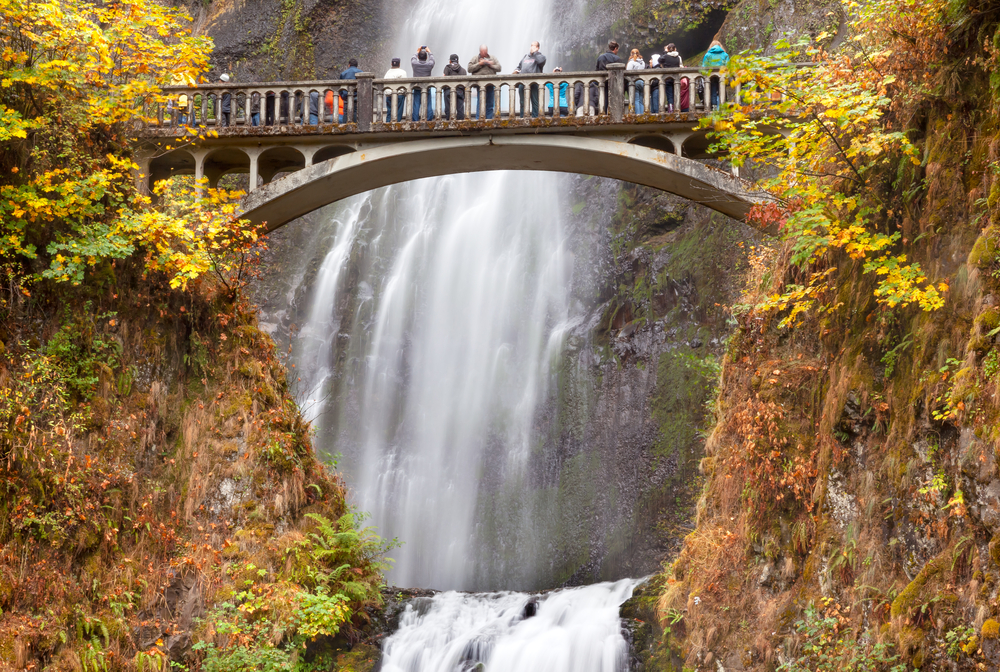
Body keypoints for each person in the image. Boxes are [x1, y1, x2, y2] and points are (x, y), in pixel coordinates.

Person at [576, 40, 621, 116]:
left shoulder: (601, 57)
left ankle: (604, 113)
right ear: (615, 48)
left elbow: (597, 71)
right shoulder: (616, 58)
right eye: (617, 50)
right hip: (614, 83)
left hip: (602, 82)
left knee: (604, 99)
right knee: (614, 99)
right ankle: (614, 115)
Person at [513, 41, 546, 117]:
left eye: (534, 46)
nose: (531, 47)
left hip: (534, 83)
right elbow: (519, 66)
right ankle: (522, 117)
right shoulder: (525, 56)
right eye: (531, 45)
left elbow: (540, 61)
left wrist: (534, 53)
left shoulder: (541, 57)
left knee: (535, 102)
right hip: (523, 82)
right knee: (522, 102)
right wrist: (516, 71)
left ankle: (535, 118)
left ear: (538, 48)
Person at [468, 45, 501, 119]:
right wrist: (480, 64)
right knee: (481, 102)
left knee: (490, 103)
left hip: (491, 84)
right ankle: (479, 119)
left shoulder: (492, 58)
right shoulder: (475, 58)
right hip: (479, 84)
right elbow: (469, 69)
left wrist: (490, 65)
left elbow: (499, 68)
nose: (484, 53)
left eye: (485, 52)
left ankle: (489, 119)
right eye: (483, 52)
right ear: (480, 51)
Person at [658, 44, 688, 113]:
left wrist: (665, 52)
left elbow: (659, 60)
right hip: (676, 79)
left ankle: (671, 109)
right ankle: (677, 108)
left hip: (668, 78)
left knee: (669, 95)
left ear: (668, 49)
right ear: (675, 49)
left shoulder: (665, 56)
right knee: (676, 93)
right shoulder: (678, 57)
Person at [701, 39, 729, 110]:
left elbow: (704, 66)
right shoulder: (725, 55)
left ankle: (714, 107)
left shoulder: (708, 55)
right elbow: (728, 66)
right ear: (720, 46)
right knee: (722, 91)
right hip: (722, 76)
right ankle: (722, 107)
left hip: (712, 76)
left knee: (713, 91)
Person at [411, 46, 435, 121]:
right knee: (428, 104)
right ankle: (429, 119)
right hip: (427, 87)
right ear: (426, 58)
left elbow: (413, 58)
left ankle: (415, 120)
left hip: (417, 87)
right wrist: (429, 51)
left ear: (418, 57)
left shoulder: (414, 64)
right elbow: (432, 60)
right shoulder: (429, 65)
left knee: (416, 105)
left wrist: (417, 51)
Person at [443, 53, 467, 120]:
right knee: (460, 109)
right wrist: (464, 96)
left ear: (450, 61)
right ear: (458, 61)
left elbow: (444, 79)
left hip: (448, 91)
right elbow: (465, 84)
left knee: (448, 108)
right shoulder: (463, 70)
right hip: (460, 91)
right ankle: (460, 124)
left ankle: (449, 122)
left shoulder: (447, 68)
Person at [384, 57, 407, 122]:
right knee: (398, 111)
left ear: (391, 64)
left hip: (389, 95)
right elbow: (404, 84)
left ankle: (388, 124)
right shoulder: (403, 72)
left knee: (389, 111)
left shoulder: (387, 73)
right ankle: (397, 123)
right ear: (399, 64)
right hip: (399, 95)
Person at [339, 58, 362, 123]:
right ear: (357, 65)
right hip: (356, 96)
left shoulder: (343, 74)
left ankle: (345, 126)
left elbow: (340, 87)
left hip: (346, 96)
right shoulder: (361, 73)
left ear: (349, 65)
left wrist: (343, 96)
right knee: (355, 111)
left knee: (346, 112)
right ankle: (355, 125)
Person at [626, 49, 645, 114]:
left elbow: (628, 72)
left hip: (635, 82)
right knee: (641, 100)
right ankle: (642, 115)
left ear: (631, 54)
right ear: (638, 54)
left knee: (636, 100)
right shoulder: (642, 62)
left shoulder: (631, 62)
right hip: (642, 82)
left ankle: (637, 114)